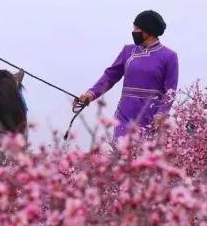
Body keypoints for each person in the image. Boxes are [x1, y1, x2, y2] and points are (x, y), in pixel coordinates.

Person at [77, 10, 179, 141]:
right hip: (125, 115)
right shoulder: (128, 51)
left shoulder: (169, 56)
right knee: (122, 156)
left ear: (148, 30)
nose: (134, 31)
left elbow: (170, 91)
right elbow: (111, 75)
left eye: (137, 28)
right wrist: (91, 94)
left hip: (151, 117)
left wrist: (161, 113)